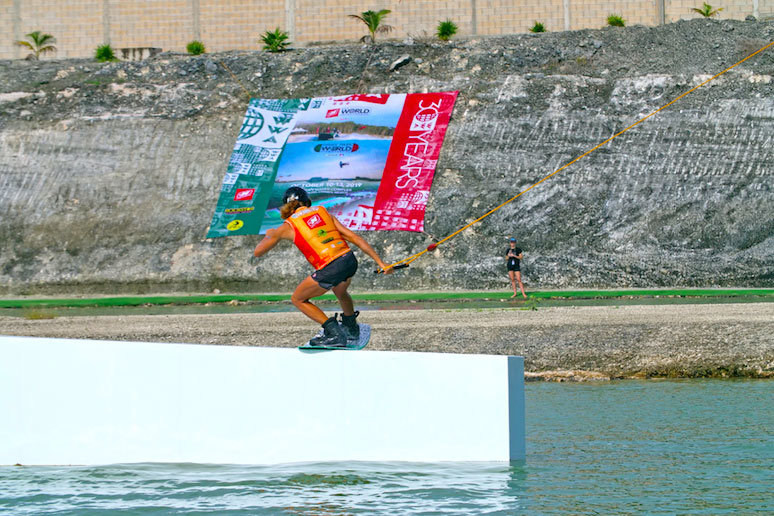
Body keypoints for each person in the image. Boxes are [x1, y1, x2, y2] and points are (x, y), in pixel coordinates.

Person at [253, 187, 392, 346]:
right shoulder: (324, 213)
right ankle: (351, 327)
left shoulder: (287, 226)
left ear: (285, 207)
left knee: (298, 299)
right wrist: (381, 263)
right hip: (349, 260)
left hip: (331, 266)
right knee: (340, 290)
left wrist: (269, 234)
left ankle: (334, 333)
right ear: (307, 202)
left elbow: (258, 252)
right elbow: (355, 238)